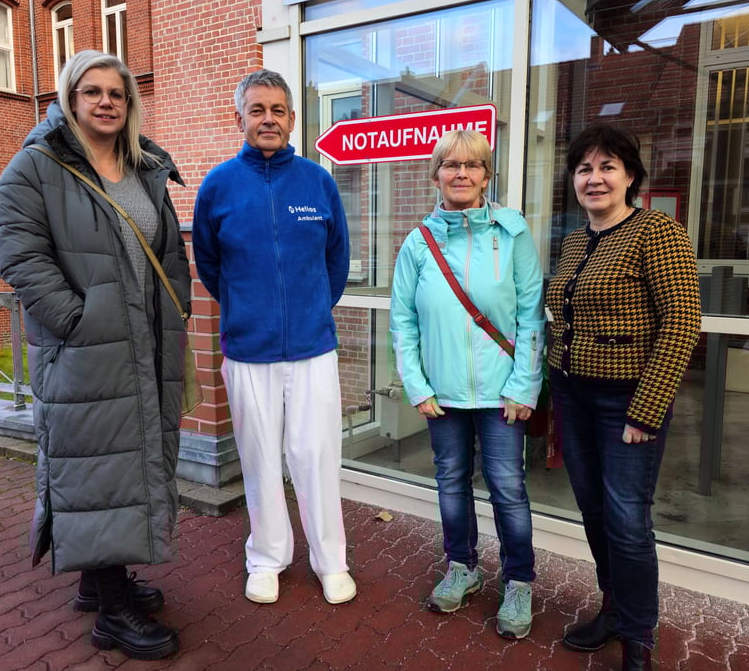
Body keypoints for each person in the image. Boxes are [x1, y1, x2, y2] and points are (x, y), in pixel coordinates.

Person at [0, 50, 191, 661]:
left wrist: (174, 309)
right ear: (69, 98)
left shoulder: (142, 165)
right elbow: (18, 251)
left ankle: (98, 577)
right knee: (97, 467)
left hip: (144, 344)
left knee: (127, 464)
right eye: (93, 91)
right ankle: (111, 612)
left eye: (118, 94)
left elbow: (169, 252)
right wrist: (75, 320)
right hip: (85, 350)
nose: (107, 102)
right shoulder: (37, 166)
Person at [192, 69, 356, 606]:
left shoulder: (318, 182)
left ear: (291, 118)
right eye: (257, 109)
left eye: (278, 110)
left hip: (313, 349)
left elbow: (336, 263)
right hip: (248, 351)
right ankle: (266, 557)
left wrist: (308, 311)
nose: (268, 119)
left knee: (316, 457)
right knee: (260, 458)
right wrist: (250, 312)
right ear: (239, 117)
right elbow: (211, 268)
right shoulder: (218, 185)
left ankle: (331, 561)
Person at [548, 123, 701, 671]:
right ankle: (613, 610)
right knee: (593, 511)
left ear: (630, 175)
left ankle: (638, 636)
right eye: (584, 168)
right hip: (573, 394)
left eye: (608, 167)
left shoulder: (657, 232)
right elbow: (561, 319)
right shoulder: (571, 242)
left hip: (626, 401)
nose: (595, 178)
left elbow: (683, 322)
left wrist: (646, 408)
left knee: (627, 518)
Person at [390, 129, 544, 640]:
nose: (461, 174)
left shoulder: (512, 231)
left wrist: (524, 386)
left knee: (507, 489)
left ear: (486, 175)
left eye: (473, 165)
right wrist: (417, 386)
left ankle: (519, 581)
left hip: (503, 394)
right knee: (451, 484)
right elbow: (403, 321)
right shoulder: (418, 242)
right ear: (435, 174)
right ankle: (463, 566)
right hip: (443, 395)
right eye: (450, 165)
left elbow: (529, 315)